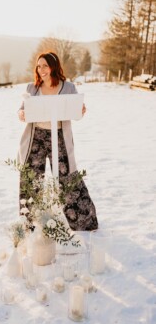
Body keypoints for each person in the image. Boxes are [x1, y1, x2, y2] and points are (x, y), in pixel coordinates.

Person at [17, 51, 98, 231]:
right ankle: (29, 223)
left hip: (59, 136)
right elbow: (22, 110)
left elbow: (75, 114)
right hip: (35, 138)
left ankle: (82, 221)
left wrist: (81, 111)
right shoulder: (32, 88)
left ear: (54, 66)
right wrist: (21, 113)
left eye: (45, 65)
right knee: (31, 179)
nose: (41, 69)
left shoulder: (68, 87)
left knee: (67, 177)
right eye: (39, 66)